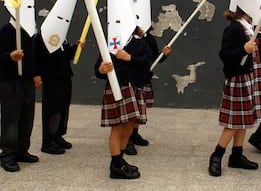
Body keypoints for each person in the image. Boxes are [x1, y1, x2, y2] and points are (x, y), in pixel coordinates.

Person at [208, 7, 261, 177]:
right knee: (234, 122)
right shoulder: (234, 28)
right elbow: (225, 55)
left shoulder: (248, 27)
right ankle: (217, 155)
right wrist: (244, 50)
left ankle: (237, 155)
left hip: (249, 77)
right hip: (238, 79)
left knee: (245, 119)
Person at [95, 32, 151, 179]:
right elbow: (98, 68)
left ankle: (119, 160)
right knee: (117, 127)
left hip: (134, 87)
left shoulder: (140, 43)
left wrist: (130, 58)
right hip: (117, 88)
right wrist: (101, 70)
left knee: (129, 127)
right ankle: (116, 165)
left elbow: (147, 63)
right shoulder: (111, 43)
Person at [0, 19, 42, 172]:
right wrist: (10, 56)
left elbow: (32, 56)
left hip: (27, 80)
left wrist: (35, 74)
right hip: (11, 81)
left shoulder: (29, 31)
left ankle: (22, 150)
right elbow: (2, 54)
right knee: (11, 118)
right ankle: (7, 155)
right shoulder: (7, 30)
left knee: (26, 117)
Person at [35, 34, 83, 154]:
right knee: (53, 110)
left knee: (63, 108)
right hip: (51, 79)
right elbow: (38, 57)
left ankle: (58, 135)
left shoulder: (63, 36)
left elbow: (66, 56)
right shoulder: (43, 36)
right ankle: (48, 141)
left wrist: (76, 48)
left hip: (65, 77)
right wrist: (37, 74)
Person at [126, 26, 171, 153]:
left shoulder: (148, 38)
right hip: (130, 79)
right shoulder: (126, 39)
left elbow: (153, 58)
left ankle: (134, 134)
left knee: (139, 110)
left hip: (143, 78)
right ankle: (127, 138)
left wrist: (164, 55)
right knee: (130, 112)